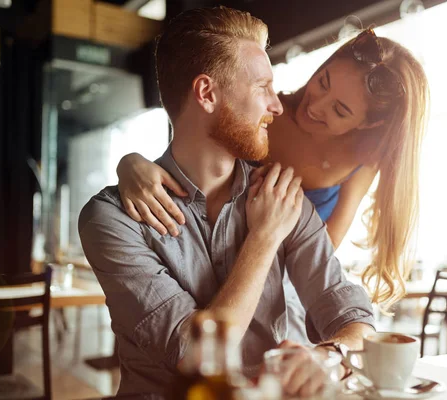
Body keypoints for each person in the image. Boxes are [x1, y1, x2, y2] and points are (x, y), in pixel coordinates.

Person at [79, 6, 375, 397]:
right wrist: (264, 238)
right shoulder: (114, 219)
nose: (277, 105)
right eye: (261, 87)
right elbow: (195, 356)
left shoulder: (283, 197)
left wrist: (331, 356)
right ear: (207, 94)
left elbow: (354, 319)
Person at [116, 25, 430, 316]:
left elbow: (319, 257)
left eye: (339, 110)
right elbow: (195, 158)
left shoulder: (362, 159)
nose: (316, 105)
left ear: (369, 123)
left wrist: (270, 230)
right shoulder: (266, 114)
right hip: (206, 273)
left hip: (284, 294)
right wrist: (130, 164)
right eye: (323, 82)